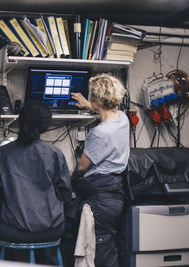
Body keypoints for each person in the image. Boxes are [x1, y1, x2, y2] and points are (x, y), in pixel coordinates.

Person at [0, 101, 72, 265]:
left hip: (12, 231)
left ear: (20, 121)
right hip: (51, 230)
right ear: (45, 125)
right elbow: (65, 194)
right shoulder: (55, 154)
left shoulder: (1, 154)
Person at [70, 73, 129, 267]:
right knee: (107, 246)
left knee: (100, 252)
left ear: (98, 100)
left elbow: (82, 166)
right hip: (115, 193)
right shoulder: (123, 119)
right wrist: (89, 105)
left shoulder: (99, 133)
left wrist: (68, 175)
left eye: (92, 97)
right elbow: (107, 113)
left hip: (100, 199)